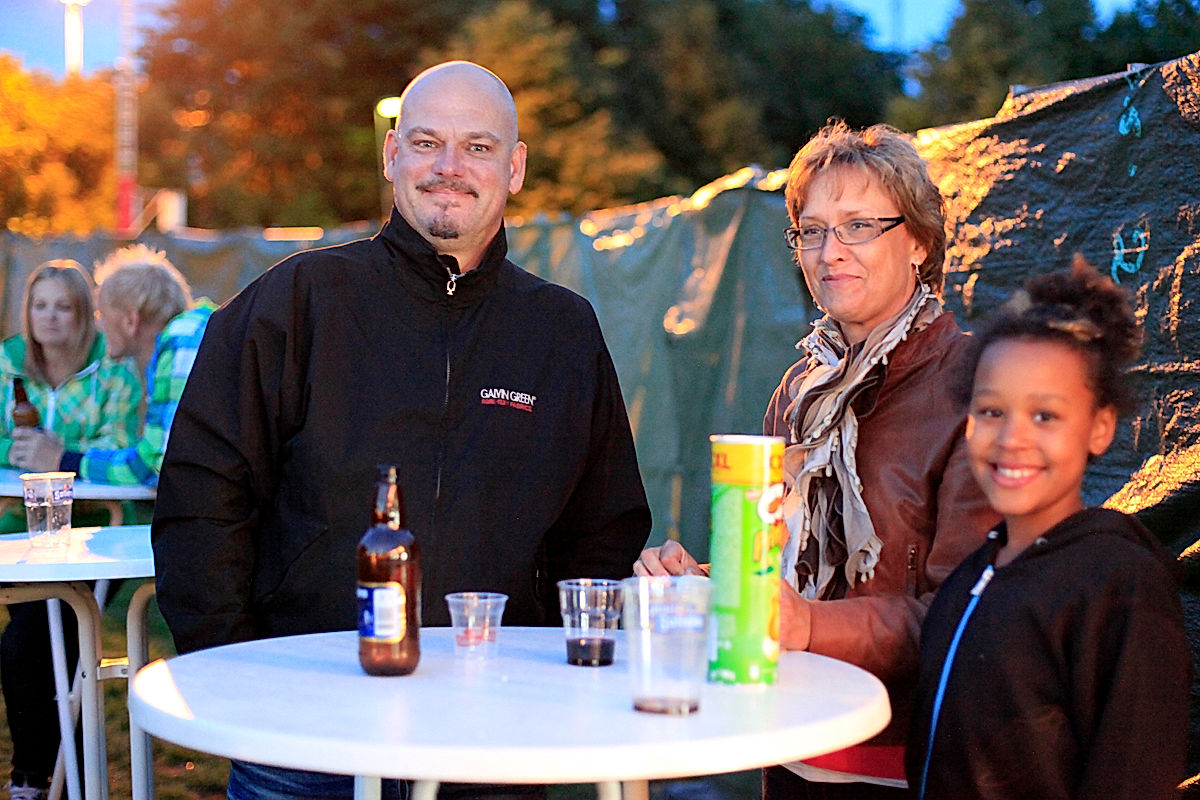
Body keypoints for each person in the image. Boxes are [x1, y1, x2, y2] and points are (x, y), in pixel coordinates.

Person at [152, 61, 651, 800]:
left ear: (515, 169)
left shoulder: (561, 331)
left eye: (478, 147)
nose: (450, 167)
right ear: (391, 155)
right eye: (426, 143)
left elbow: (602, 532)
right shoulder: (296, 301)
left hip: (496, 739)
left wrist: (553, 683)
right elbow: (202, 495)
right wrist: (239, 672)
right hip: (302, 737)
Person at [635, 121, 998, 798]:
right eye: (812, 231)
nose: (831, 252)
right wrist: (703, 584)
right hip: (792, 743)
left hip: (907, 762)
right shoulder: (803, 389)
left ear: (919, 242)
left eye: (859, 226)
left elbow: (967, 614)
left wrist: (806, 625)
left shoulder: (976, 387)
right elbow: (779, 571)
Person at [906, 258, 1191, 800]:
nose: (1011, 438)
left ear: (1100, 427)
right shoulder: (971, 578)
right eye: (991, 411)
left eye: (1045, 416)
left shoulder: (1120, 587)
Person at [0, 260, 142, 800]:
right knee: (41, 649)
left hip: (95, 535)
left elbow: (118, 446)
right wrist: (22, 450)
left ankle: (35, 778)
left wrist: (59, 453)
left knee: (32, 645)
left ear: (85, 313)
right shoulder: (9, 364)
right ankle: (55, 779)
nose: (50, 317)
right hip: (19, 531)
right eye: (40, 305)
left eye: (64, 306)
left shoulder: (113, 370)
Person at [9, 244, 216, 488]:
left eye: (102, 314)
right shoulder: (184, 336)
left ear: (130, 322)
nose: (98, 325)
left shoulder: (182, 341)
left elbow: (155, 465)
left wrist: (62, 460)